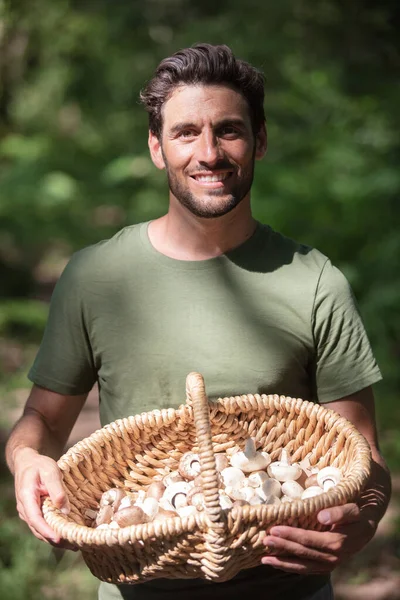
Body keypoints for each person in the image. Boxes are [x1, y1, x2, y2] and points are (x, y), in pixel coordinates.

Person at [5, 43, 391, 600]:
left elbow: (363, 452)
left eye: (228, 130)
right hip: (139, 586)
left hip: (285, 589)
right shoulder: (96, 277)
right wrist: (27, 461)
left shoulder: (314, 282)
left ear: (259, 141)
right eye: (186, 132)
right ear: (157, 148)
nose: (208, 152)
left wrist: (364, 522)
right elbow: (41, 417)